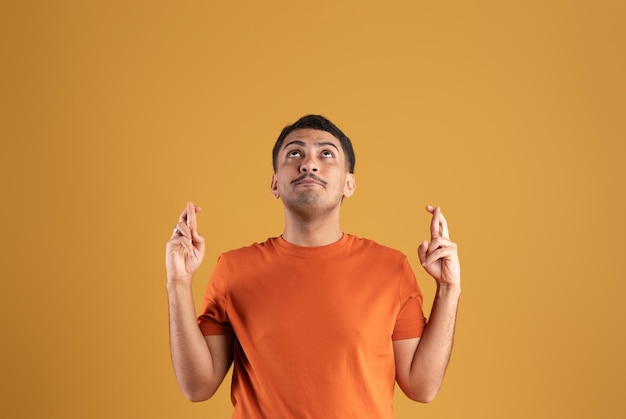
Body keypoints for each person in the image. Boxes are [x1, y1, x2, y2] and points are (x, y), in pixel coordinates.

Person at [166, 115, 461, 418]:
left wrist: (448, 290)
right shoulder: (234, 269)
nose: (309, 164)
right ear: (274, 183)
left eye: (326, 153)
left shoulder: (391, 268)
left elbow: (422, 387)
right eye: (294, 153)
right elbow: (197, 387)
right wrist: (178, 282)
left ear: (349, 183)